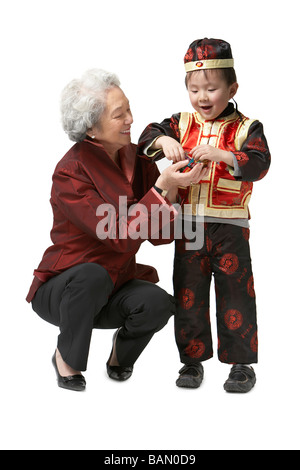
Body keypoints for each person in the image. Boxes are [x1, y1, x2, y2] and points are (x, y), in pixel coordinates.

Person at [26, 68, 206, 392]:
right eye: (118, 114)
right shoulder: (71, 173)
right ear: (91, 127)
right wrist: (162, 186)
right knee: (91, 275)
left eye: (129, 109)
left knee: (158, 303)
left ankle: (119, 359)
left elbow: (160, 235)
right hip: (66, 290)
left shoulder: (137, 158)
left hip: (113, 285)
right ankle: (65, 358)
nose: (131, 119)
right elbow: (118, 235)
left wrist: (174, 188)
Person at [138, 38, 271, 393]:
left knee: (236, 293)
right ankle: (192, 362)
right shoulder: (180, 123)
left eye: (212, 89)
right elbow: (146, 137)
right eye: (195, 89)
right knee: (188, 292)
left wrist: (225, 155)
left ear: (232, 88)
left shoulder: (246, 127)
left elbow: (260, 163)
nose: (202, 97)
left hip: (230, 226)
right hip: (188, 226)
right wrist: (164, 142)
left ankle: (241, 364)